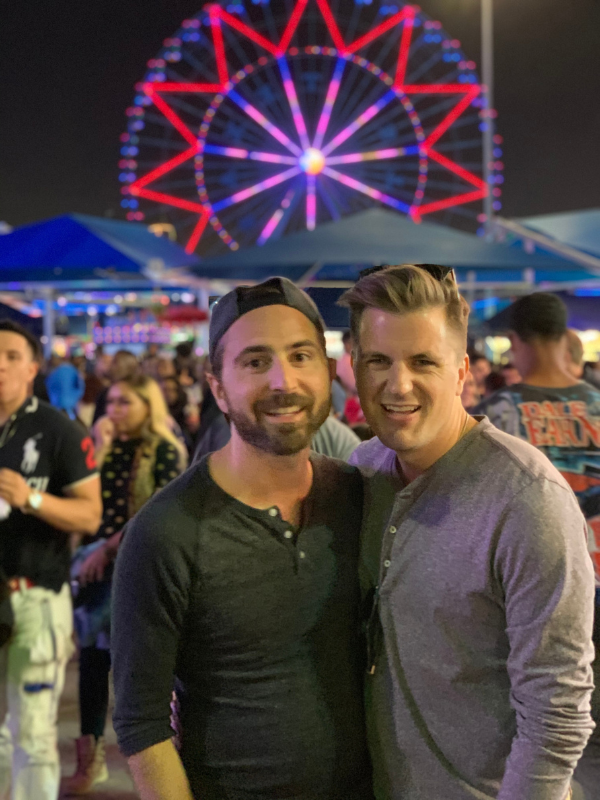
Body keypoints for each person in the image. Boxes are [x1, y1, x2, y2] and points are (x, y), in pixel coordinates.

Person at [338, 266, 595, 800]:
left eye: (422, 362)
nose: (397, 383)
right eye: (378, 361)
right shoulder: (362, 470)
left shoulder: (528, 499)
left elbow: (557, 716)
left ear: (461, 374)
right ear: (355, 369)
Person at [111, 277, 373, 800]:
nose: (283, 380)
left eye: (301, 356)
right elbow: (142, 724)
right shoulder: (167, 531)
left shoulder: (360, 495)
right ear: (218, 387)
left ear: (326, 372)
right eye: (255, 362)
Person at [476, 293, 600, 799]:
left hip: (528, 596)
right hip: (596, 582)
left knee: (540, 726)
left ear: (518, 342)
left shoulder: (496, 414)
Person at [65, 374, 186, 795]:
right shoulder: (106, 446)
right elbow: (85, 499)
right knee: (93, 666)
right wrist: (97, 446)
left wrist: (109, 548)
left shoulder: (165, 451)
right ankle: (90, 758)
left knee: (145, 668)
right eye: (111, 402)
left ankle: (163, 762)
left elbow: (159, 511)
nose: (114, 409)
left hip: (137, 567)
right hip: (96, 571)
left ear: (147, 406)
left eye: (124, 402)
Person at [0, 320, 102, 800]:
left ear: (33, 367)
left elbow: (90, 512)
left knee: (33, 733)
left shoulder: (58, 429)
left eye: (12, 356)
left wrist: (30, 499)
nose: (0, 365)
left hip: (34, 599)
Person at [92, 350, 140, 423]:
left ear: (127, 366)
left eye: (115, 362)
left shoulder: (139, 391)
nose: (110, 365)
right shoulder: (105, 391)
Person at [45, 354, 85, 419]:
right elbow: (80, 388)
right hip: (69, 409)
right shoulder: (74, 372)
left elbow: (48, 385)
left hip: (56, 408)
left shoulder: (56, 371)